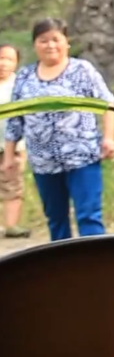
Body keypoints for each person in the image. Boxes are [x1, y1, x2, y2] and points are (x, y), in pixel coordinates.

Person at [2, 19, 114, 241]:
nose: (50, 45)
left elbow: (107, 103)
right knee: (56, 219)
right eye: (43, 40)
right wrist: (9, 156)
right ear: (35, 45)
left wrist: (109, 138)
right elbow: (15, 120)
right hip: (43, 161)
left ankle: (97, 266)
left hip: (82, 156)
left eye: (56, 39)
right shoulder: (25, 77)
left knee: (89, 216)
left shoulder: (81, 70)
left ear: (67, 43)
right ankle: (63, 270)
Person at [0, 43, 30, 238]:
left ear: (16, 63)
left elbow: (27, 118)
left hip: (13, 145)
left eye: (9, 59)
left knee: (12, 185)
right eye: (1, 58)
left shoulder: (20, 86)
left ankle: (11, 225)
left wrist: (25, 149)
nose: (3, 63)